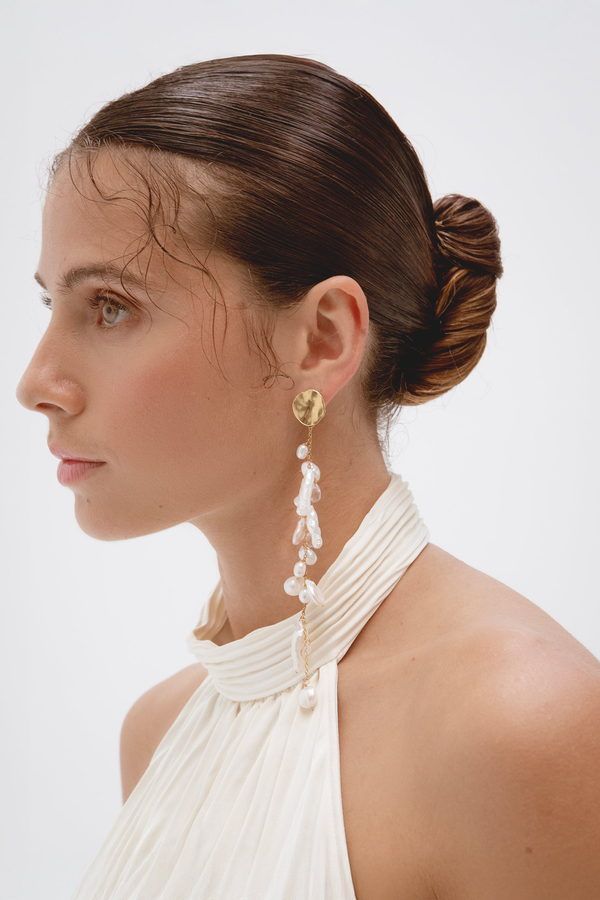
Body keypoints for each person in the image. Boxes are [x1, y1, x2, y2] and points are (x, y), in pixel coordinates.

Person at [16, 53, 600, 899]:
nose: (38, 383)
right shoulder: (157, 733)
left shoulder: (521, 724)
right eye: (52, 305)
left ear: (323, 337)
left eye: (111, 306)